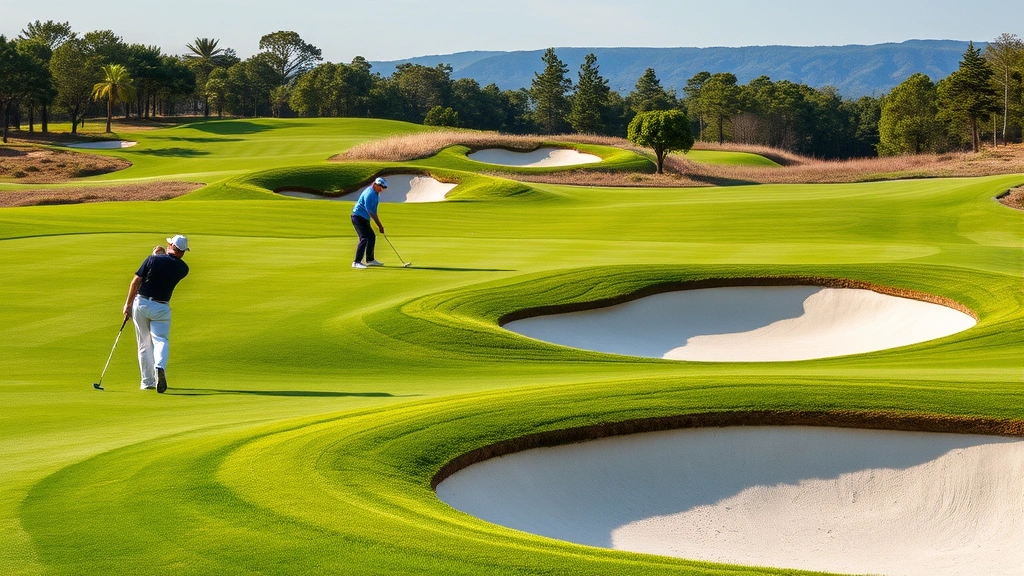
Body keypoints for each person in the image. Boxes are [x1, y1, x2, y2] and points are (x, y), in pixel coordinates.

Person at [122, 235, 190, 393]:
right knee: (161, 340)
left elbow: (136, 282)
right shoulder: (183, 269)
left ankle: (147, 381)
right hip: (161, 307)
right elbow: (166, 266)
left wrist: (127, 305)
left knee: (144, 344)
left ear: (171, 246)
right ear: (182, 252)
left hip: (142, 303)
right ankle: (159, 366)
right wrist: (158, 256)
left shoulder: (152, 260)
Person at [351, 177, 387, 269]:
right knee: (364, 238)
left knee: (371, 236)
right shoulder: (370, 194)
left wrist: (380, 225)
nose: (382, 189)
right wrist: (380, 226)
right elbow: (371, 212)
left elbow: (374, 211)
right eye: (380, 186)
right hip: (358, 217)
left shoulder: (376, 193)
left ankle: (370, 260)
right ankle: (356, 262)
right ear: (375, 184)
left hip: (364, 218)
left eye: (383, 187)